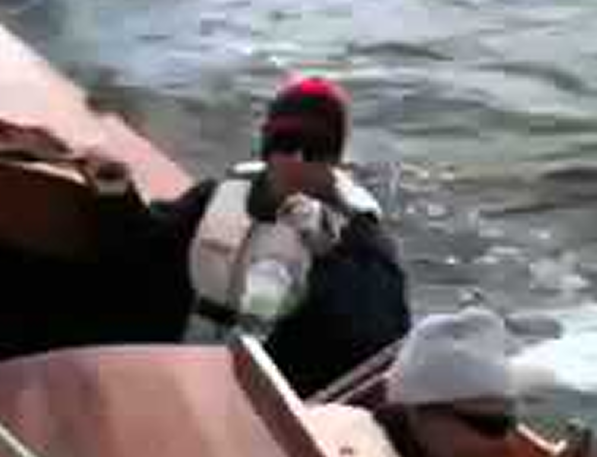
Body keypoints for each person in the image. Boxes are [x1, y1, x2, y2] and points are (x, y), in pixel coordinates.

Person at [126, 76, 413, 396]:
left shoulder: (361, 245)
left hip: (275, 408)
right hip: (187, 376)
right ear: (266, 147)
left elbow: (373, 349)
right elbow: (146, 248)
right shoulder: (214, 199)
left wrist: (326, 259)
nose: (297, 159)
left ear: (335, 161)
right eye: (286, 142)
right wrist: (115, 195)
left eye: (316, 149)